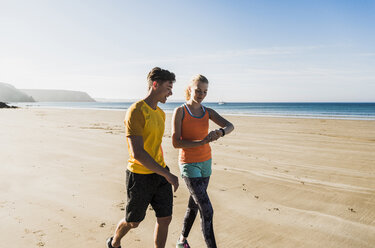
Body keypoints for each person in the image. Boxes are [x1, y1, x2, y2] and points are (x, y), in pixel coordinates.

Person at [107, 67, 179, 248]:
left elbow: (155, 145)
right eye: (168, 88)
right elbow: (137, 153)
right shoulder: (136, 111)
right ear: (155, 84)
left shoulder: (161, 113)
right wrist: (167, 174)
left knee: (165, 218)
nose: (171, 93)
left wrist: (164, 172)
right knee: (134, 222)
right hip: (139, 175)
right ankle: (114, 242)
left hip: (160, 172)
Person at [172, 75, 234, 248]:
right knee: (207, 210)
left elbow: (230, 126)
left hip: (206, 163)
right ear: (189, 89)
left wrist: (220, 133)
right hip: (188, 164)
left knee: (194, 204)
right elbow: (176, 142)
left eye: (205, 91)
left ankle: (181, 241)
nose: (201, 94)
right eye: (198, 90)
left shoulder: (208, 112)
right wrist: (201, 142)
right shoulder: (180, 111)